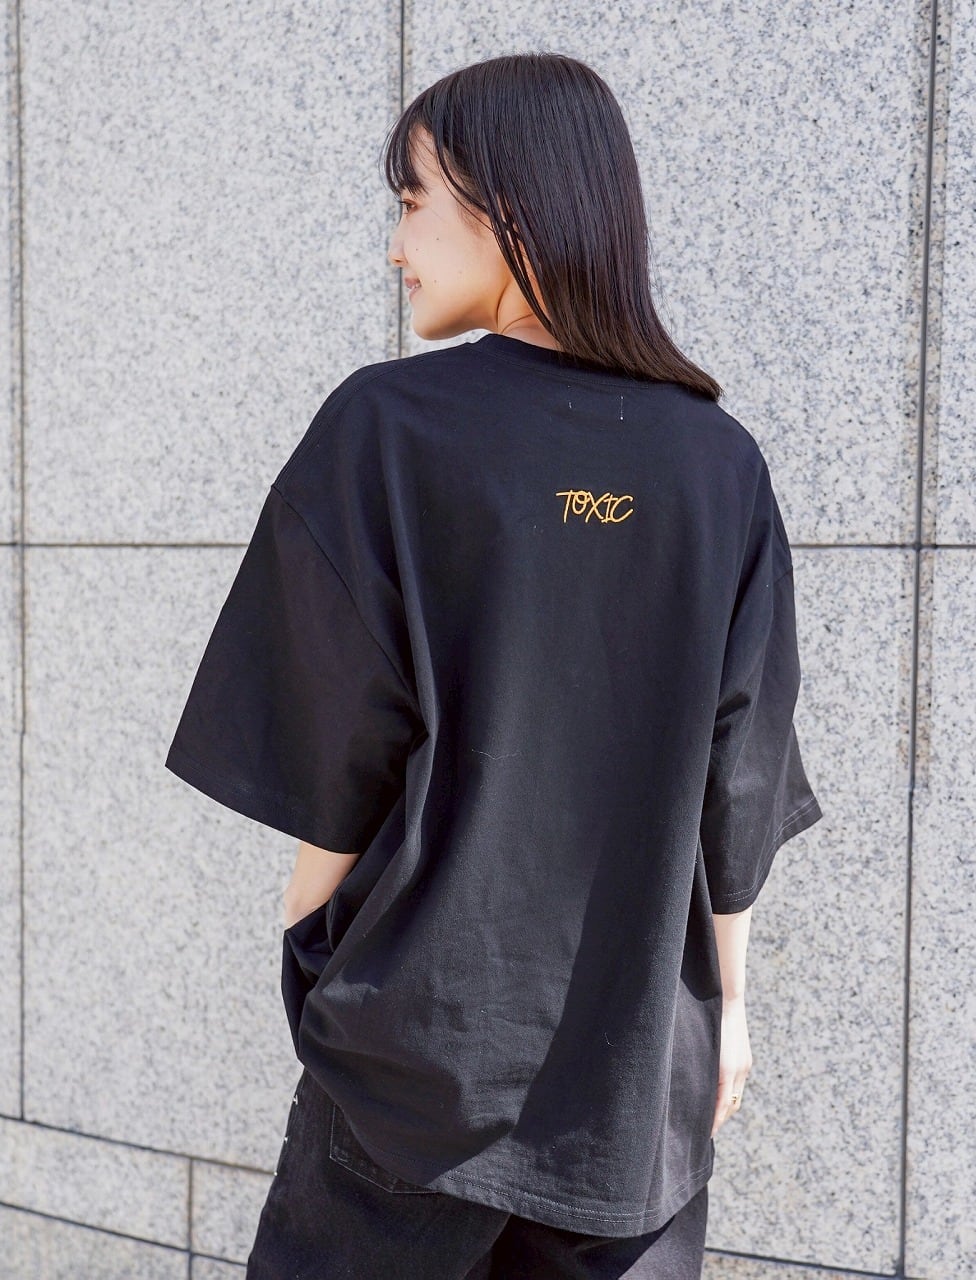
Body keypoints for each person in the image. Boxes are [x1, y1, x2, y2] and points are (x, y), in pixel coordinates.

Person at [164, 51, 823, 1279]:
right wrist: (727, 1013)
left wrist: (311, 950)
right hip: (632, 1099)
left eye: (411, 201)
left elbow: (336, 748)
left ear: (507, 206)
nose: (397, 246)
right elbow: (737, 782)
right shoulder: (718, 465)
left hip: (415, 1066)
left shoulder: (388, 429)